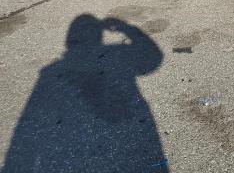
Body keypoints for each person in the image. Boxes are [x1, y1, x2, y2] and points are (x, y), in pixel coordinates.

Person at [2, 14, 168, 172]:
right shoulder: (50, 73)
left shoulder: (49, 73)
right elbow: (152, 60)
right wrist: (128, 29)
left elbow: (25, 131)